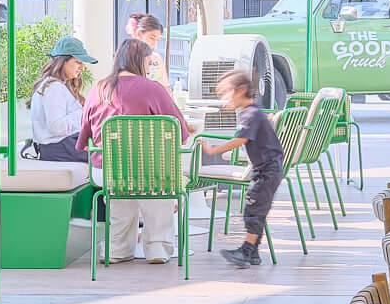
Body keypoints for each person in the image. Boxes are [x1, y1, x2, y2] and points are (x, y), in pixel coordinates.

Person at [82, 36, 189, 260]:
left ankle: (116, 249)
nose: (149, 69)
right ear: (140, 61)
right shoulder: (154, 89)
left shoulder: (98, 89)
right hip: (150, 171)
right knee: (157, 192)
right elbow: (179, 132)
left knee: (120, 197)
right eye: (149, 63)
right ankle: (157, 247)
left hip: (107, 171)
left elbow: (85, 138)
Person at [198, 66, 283, 269]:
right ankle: (253, 253)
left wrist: (212, 150)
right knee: (257, 209)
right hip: (268, 169)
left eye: (226, 93)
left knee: (254, 210)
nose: (224, 99)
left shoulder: (250, 115)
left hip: (267, 170)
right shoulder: (253, 113)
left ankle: (246, 251)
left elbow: (240, 139)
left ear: (241, 90)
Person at [24, 36, 93, 161]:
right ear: (63, 61)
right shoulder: (53, 87)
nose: (82, 67)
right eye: (78, 62)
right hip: (58, 148)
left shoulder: (56, 85)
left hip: (58, 147)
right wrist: (84, 113)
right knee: (109, 157)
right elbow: (57, 127)